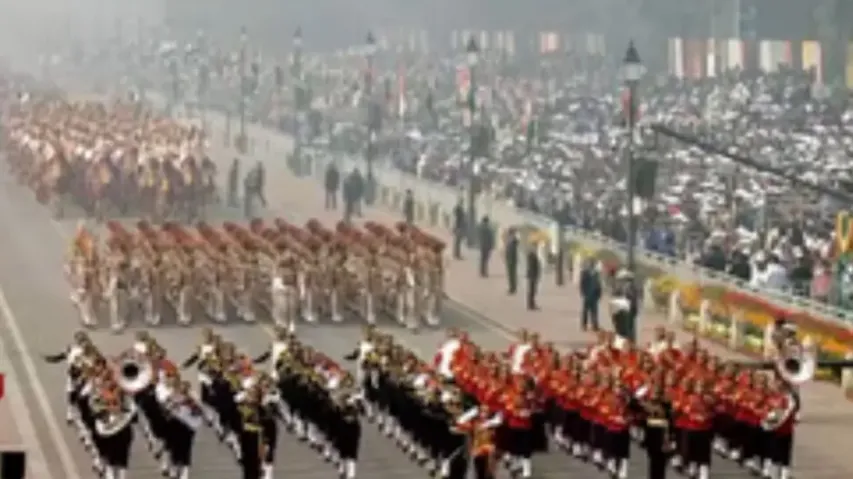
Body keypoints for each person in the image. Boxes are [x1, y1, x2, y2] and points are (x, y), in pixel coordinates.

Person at [579, 260, 602, 331]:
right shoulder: (584, 273)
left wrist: (599, 294)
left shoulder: (596, 273)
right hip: (587, 294)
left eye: (592, 264)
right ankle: (584, 325)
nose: (591, 265)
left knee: (594, 311)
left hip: (595, 295)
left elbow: (599, 285)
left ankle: (595, 325)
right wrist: (583, 293)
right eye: (590, 264)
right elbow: (582, 283)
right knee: (585, 311)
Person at [525, 245, 541, 310]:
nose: (536, 248)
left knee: (532, 291)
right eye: (536, 247)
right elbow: (532, 267)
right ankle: (531, 305)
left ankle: (531, 304)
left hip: (532, 275)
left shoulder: (532, 255)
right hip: (533, 275)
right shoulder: (532, 256)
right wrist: (534, 276)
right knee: (532, 291)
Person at [504, 228, 519, 294]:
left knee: (512, 274)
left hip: (511, 259)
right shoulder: (510, 240)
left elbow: (511, 251)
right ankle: (512, 287)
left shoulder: (513, 240)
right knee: (511, 275)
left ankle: (512, 288)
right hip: (510, 259)